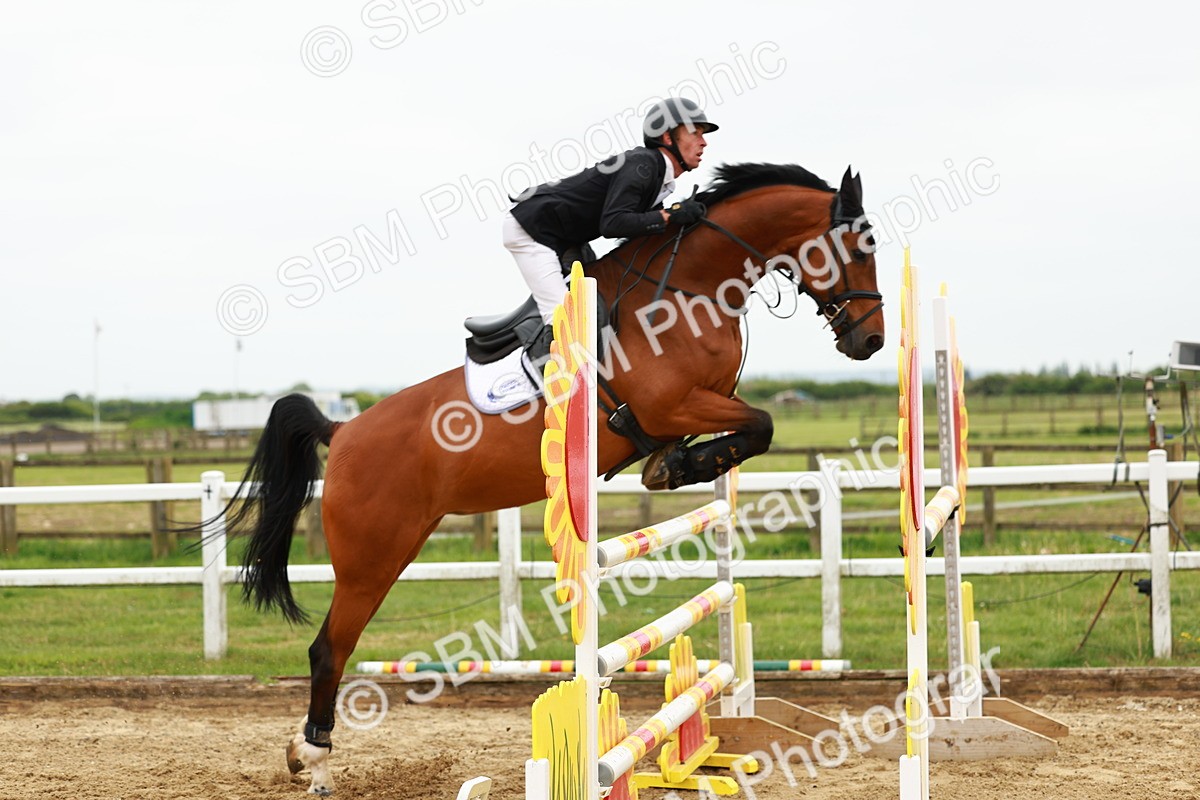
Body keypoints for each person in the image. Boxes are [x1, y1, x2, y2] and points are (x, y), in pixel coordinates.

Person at [503, 97, 718, 324]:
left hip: (567, 240)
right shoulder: (642, 165)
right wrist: (670, 215)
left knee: (596, 301)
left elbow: (644, 228)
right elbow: (613, 223)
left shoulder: (660, 179)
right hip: (533, 228)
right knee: (565, 321)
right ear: (667, 137)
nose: (703, 142)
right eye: (695, 133)